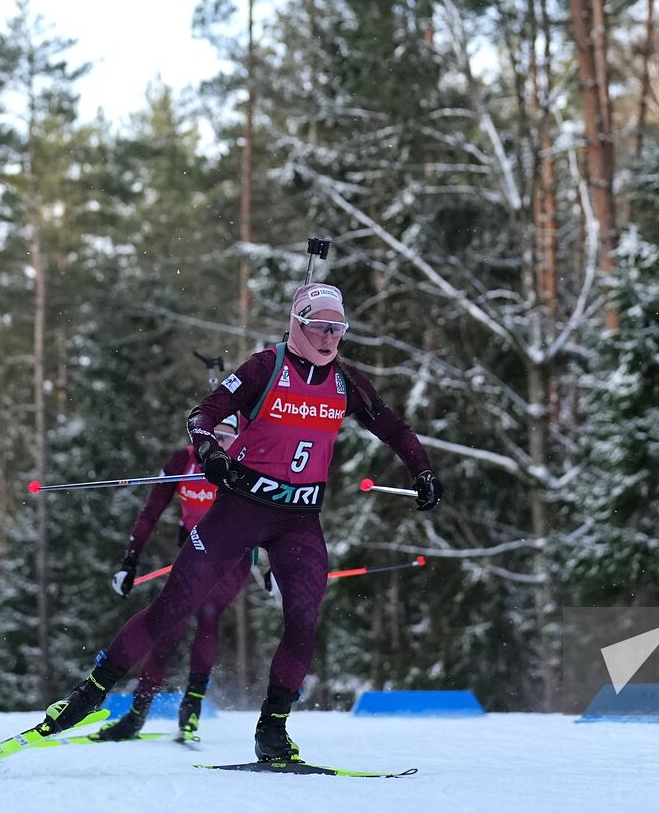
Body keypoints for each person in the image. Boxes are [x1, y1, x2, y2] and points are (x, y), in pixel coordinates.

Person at [33, 282, 443, 763]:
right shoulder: (265, 367)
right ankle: (88, 695)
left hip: (299, 519)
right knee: (173, 609)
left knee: (304, 622)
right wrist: (209, 452)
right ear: (299, 324)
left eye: (338, 327)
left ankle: (272, 729)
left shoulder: (345, 381)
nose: (330, 337)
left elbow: (392, 426)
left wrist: (422, 470)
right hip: (239, 511)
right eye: (320, 326)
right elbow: (203, 414)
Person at [93, 414, 248, 742]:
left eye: (228, 438)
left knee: (208, 616)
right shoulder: (183, 460)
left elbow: (267, 516)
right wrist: (129, 561)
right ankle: (136, 715)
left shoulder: (245, 460)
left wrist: (270, 569)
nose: (220, 445)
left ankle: (190, 710)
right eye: (214, 436)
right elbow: (151, 511)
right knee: (169, 627)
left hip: (234, 556)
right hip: (195, 551)